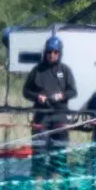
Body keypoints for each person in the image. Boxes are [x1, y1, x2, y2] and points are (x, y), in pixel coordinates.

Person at [23, 36, 77, 178]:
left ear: (59, 53)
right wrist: (37, 97)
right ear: (45, 52)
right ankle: (37, 180)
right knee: (39, 150)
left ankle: (57, 181)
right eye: (49, 52)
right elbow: (26, 91)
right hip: (41, 116)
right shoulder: (37, 70)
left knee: (59, 150)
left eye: (55, 52)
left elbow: (73, 91)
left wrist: (61, 96)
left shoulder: (65, 70)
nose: (52, 55)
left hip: (60, 115)